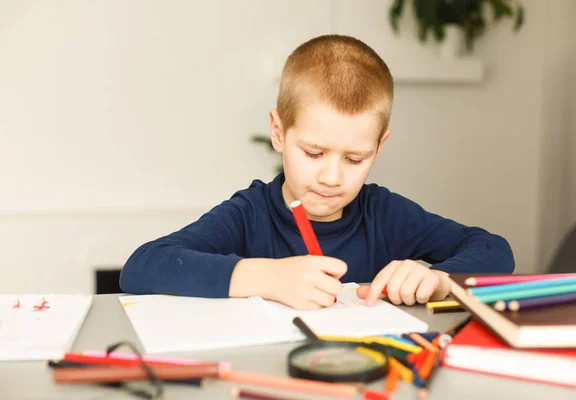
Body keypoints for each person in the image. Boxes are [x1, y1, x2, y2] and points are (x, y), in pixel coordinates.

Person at [120, 34, 514, 310]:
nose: (331, 177)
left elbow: (495, 249)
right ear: (278, 132)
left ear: (379, 147)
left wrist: (442, 280)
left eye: (354, 159)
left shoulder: (385, 215)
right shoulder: (250, 214)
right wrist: (267, 278)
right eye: (313, 152)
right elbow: (143, 266)